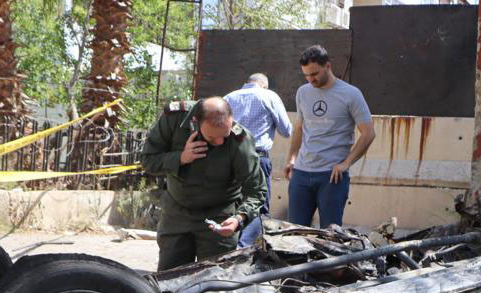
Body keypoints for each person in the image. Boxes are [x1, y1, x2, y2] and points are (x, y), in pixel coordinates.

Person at [141, 96, 268, 271]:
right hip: (177, 214)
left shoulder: (239, 140)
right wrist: (180, 158)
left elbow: (256, 190)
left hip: (219, 216)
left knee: (215, 280)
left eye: (224, 135)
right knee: (170, 278)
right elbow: (148, 161)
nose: (220, 142)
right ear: (195, 122)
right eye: (212, 138)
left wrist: (239, 218)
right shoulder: (174, 120)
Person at [284, 45, 374, 229]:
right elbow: (299, 128)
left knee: (330, 235)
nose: (311, 79)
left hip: (332, 177)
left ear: (328, 66)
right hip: (301, 173)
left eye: (314, 74)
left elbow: (369, 133)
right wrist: (291, 158)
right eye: (306, 75)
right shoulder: (303, 92)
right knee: (294, 234)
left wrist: (346, 163)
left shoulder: (351, 94)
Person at [224, 73, 292, 247]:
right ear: (264, 85)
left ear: (247, 82)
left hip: (229, 159)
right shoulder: (269, 96)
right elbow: (286, 130)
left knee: (231, 204)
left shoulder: (229, 98)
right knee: (258, 207)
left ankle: (230, 246)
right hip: (257, 159)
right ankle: (243, 248)